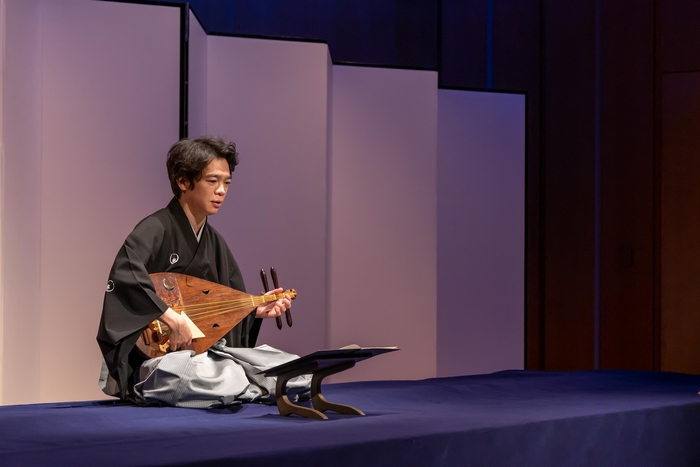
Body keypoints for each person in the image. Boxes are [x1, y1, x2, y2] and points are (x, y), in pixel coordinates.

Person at [96, 136, 291, 402]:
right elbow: (126, 277)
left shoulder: (215, 243)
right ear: (183, 182)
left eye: (226, 183)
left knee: (285, 366)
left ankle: (239, 383)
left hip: (202, 356)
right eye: (213, 181)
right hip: (154, 359)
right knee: (200, 376)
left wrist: (253, 311)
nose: (221, 190)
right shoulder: (155, 229)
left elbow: (217, 310)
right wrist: (170, 317)